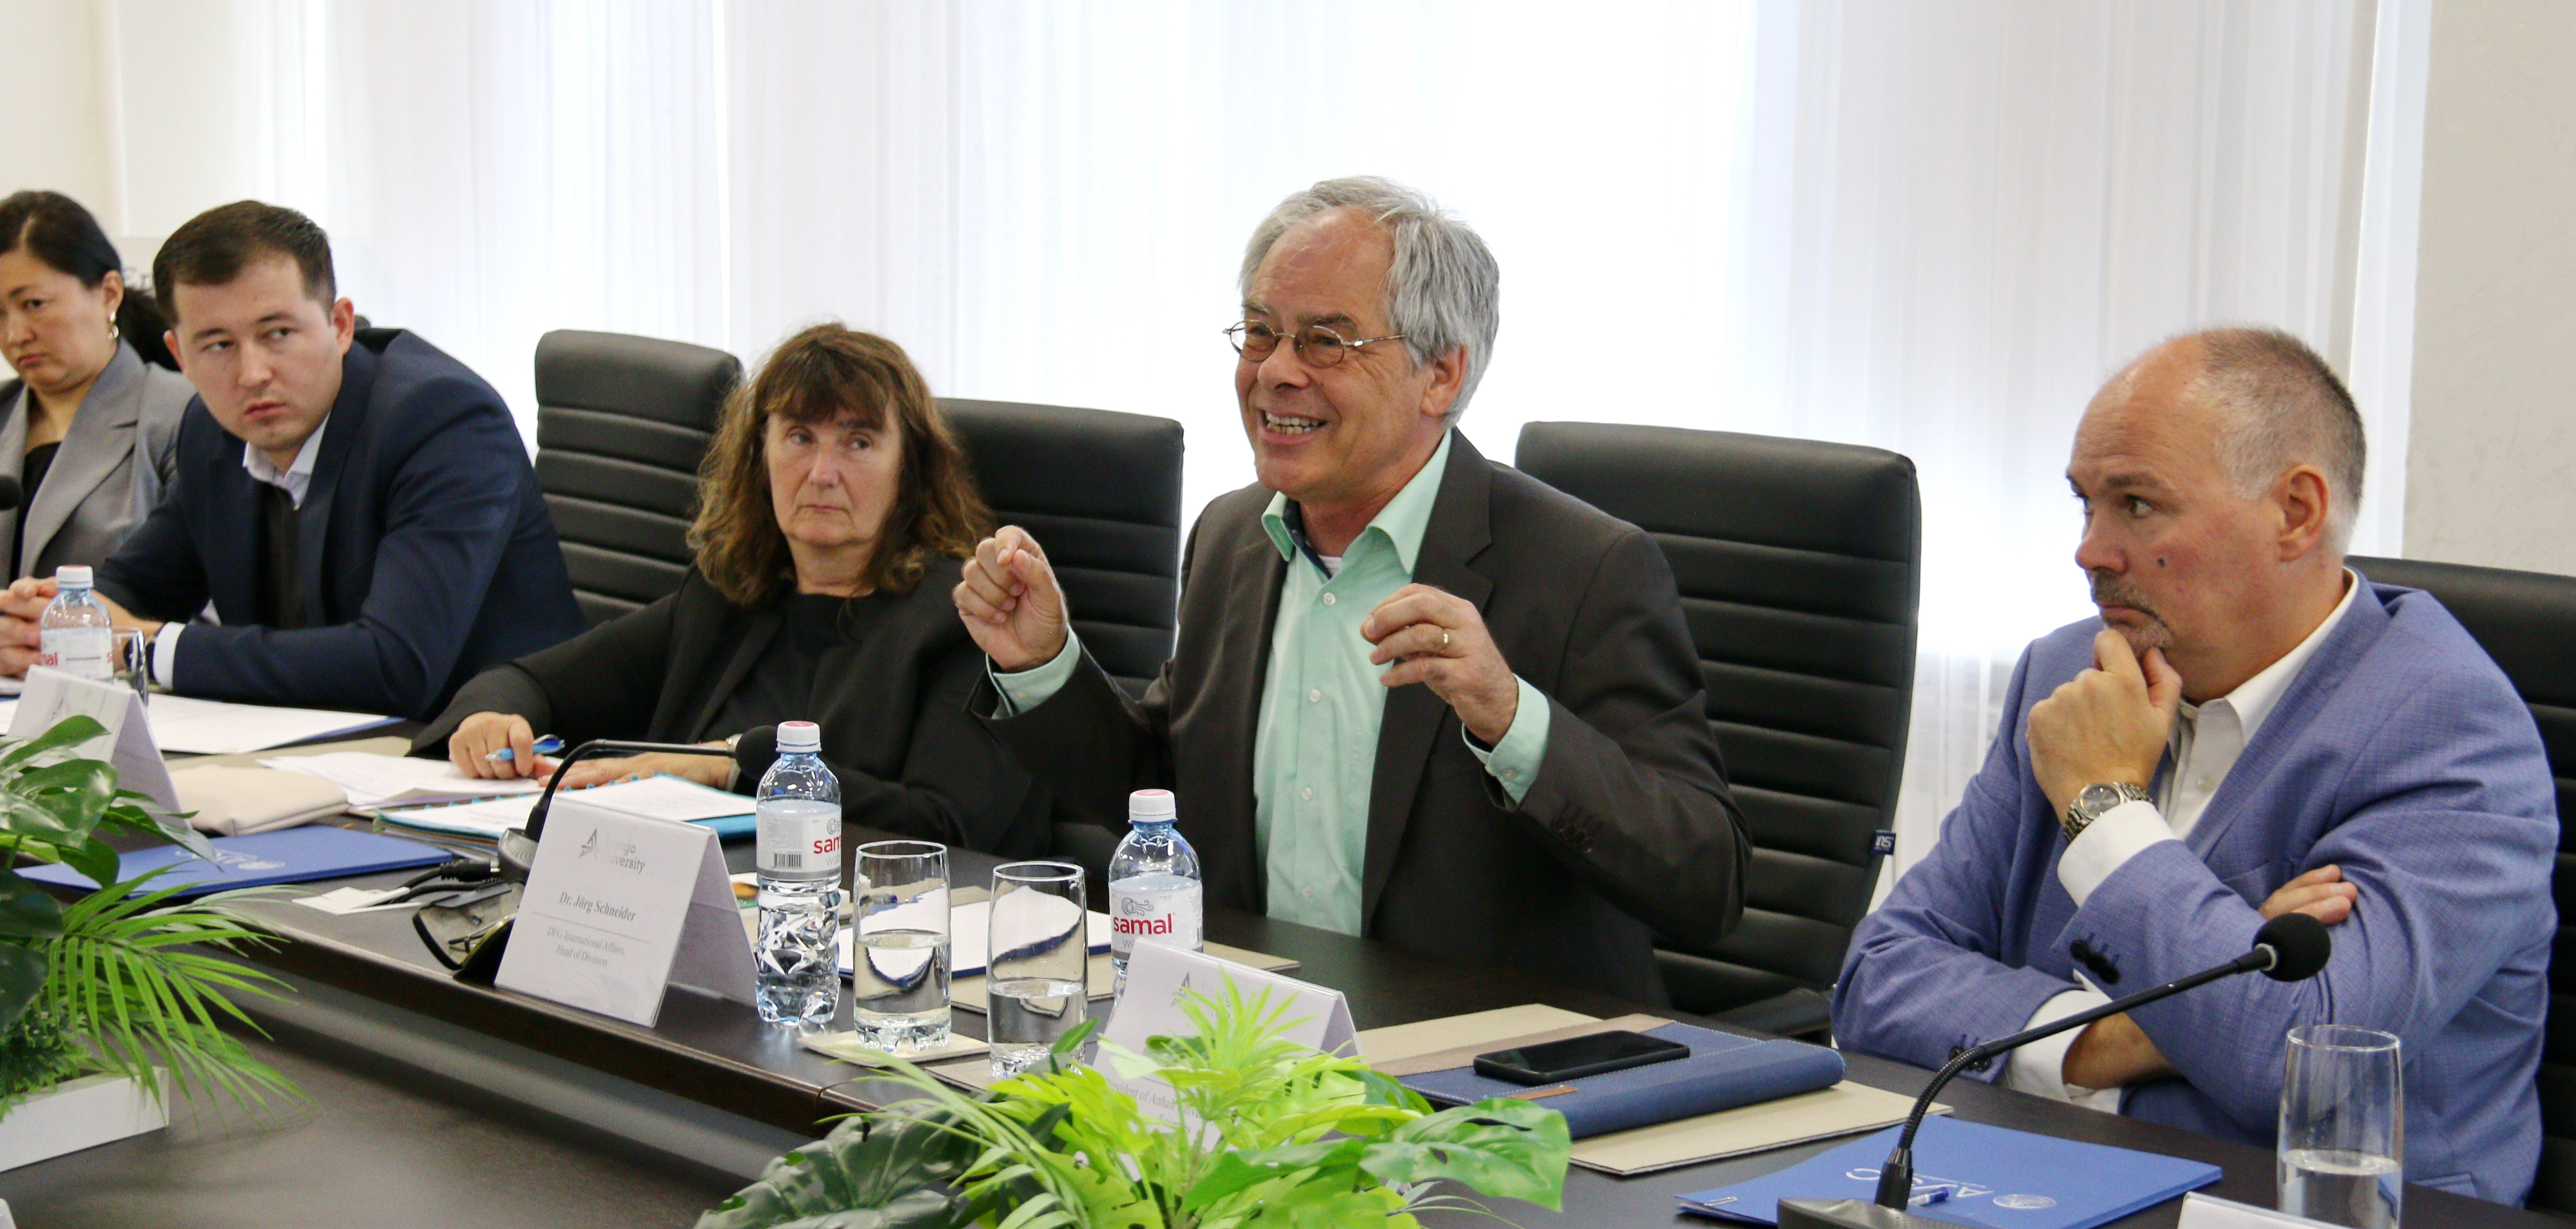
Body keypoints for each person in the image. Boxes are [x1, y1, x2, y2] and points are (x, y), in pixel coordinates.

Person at [952, 177, 1747, 1001]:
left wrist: (1511, 718)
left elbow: (1705, 878)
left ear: (1439, 375)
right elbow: (1170, 792)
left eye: (1325, 341)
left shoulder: (1585, 568)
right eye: (1260, 333)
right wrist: (1044, 662)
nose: (1275, 374)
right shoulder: (1232, 536)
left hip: (1485, 1083)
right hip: (1256, 1048)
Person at [1832, 328, 2556, 1204]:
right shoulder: (2070, 677)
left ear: (2295, 513)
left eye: (2136, 505)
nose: (2090, 550)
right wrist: (2139, 1030)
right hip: (2039, 1182)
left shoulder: (2448, 727)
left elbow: (2304, 1061)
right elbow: (1876, 977)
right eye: (2085, 504)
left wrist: (2104, 809)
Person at [419, 323, 1051, 856]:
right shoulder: (726, 601)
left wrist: (738, 764)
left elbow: (951, 827)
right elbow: (530, 680)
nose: (822, 473)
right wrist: (491, 717)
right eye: (800, 437)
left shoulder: (961, 621)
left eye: (858, 442)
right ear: (760, 454)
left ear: (909, 469)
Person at [0, 200, 585, 719]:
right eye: (219, 345)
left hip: (477, 757)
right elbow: (138, 584)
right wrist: (43, 620)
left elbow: (395, 664)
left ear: (339, 325)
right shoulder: (211, 427)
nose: (253, 374)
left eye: (278, 333)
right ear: (179, 353)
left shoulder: (441, 419)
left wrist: (147, 646)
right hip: (316, 751)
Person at [0, 190, 190, 580]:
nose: (16, 334)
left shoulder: (181, 415)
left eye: (34, 304)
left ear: (109, 294)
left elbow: (211, 601)